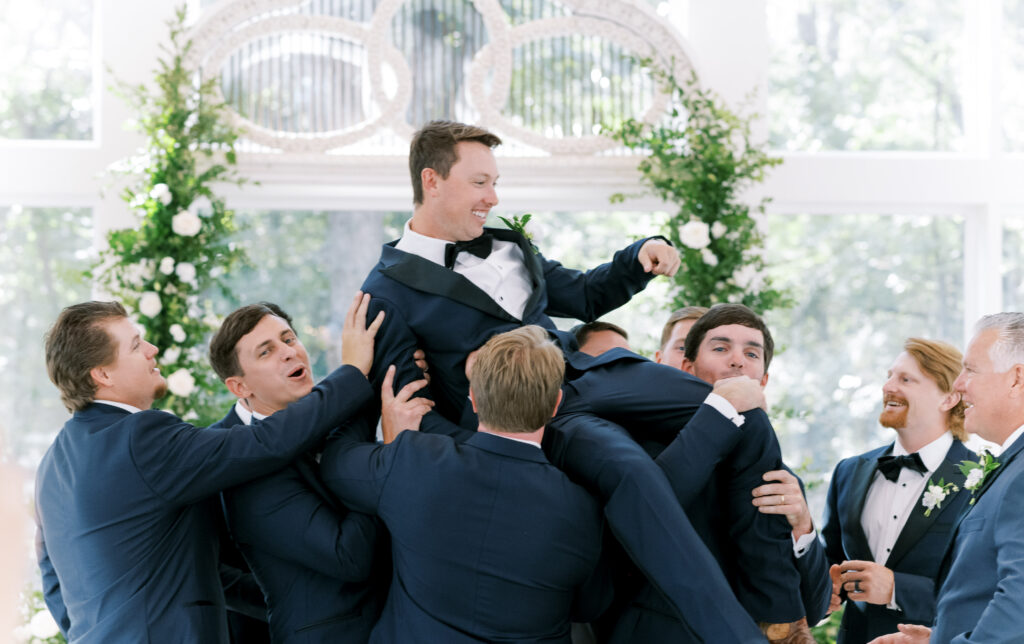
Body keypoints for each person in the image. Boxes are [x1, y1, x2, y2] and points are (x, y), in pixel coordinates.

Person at [359, 120, 771, 641]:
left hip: (591, 373)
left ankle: (780, 602)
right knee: (632, 474)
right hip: (538, 420)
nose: (493, 196)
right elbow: (413, 406)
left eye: (495, 181)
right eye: (481, 182)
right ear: (432, 181)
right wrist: (490, 458)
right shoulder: (384, 292)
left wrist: (638, 258)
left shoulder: (508, 243)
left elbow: (579, 293)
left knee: (740, 403)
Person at [34, 295, 382, 643]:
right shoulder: (139, 438)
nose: (152, 350)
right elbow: (265, 443)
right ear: (103, 374)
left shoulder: (51, 467)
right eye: (137, 345)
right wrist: (352, 373)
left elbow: (53, 582)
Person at [320, 326, 611, 643]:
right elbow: (589, 607)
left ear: (472, 397)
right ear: (556, 404)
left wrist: (369, 397)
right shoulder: (583, 509)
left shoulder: (414, 461)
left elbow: (335, 464)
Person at [574, 304, 824, 643]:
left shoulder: (781, 477)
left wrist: (803, 528)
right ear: (683, 368)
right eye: (720, 348)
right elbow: (628, 538)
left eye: (752, 353)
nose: (737, 361)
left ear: (763, 381)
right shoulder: (631, 446)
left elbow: (815, 606)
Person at [208, 302, 401, 643]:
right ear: (240, 388)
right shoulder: (239, 465)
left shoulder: (332, 416)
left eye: (289, 339)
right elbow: (349, 555)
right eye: (266, 352)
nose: (288, 353)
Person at [870, 314, 1024, 644]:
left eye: (970, 369)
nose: (958, 384)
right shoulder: (1011, 466)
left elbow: (1020, 597)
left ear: (1016, 379)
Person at [820, 338, 973, 644]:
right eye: (889, 376)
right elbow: (831, 560)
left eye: (906, 379)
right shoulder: (849, 471)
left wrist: (895, 589)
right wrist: (824, 592)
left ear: (949, 398)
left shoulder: (982, 478)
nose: (888, 386)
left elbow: (984, 589)